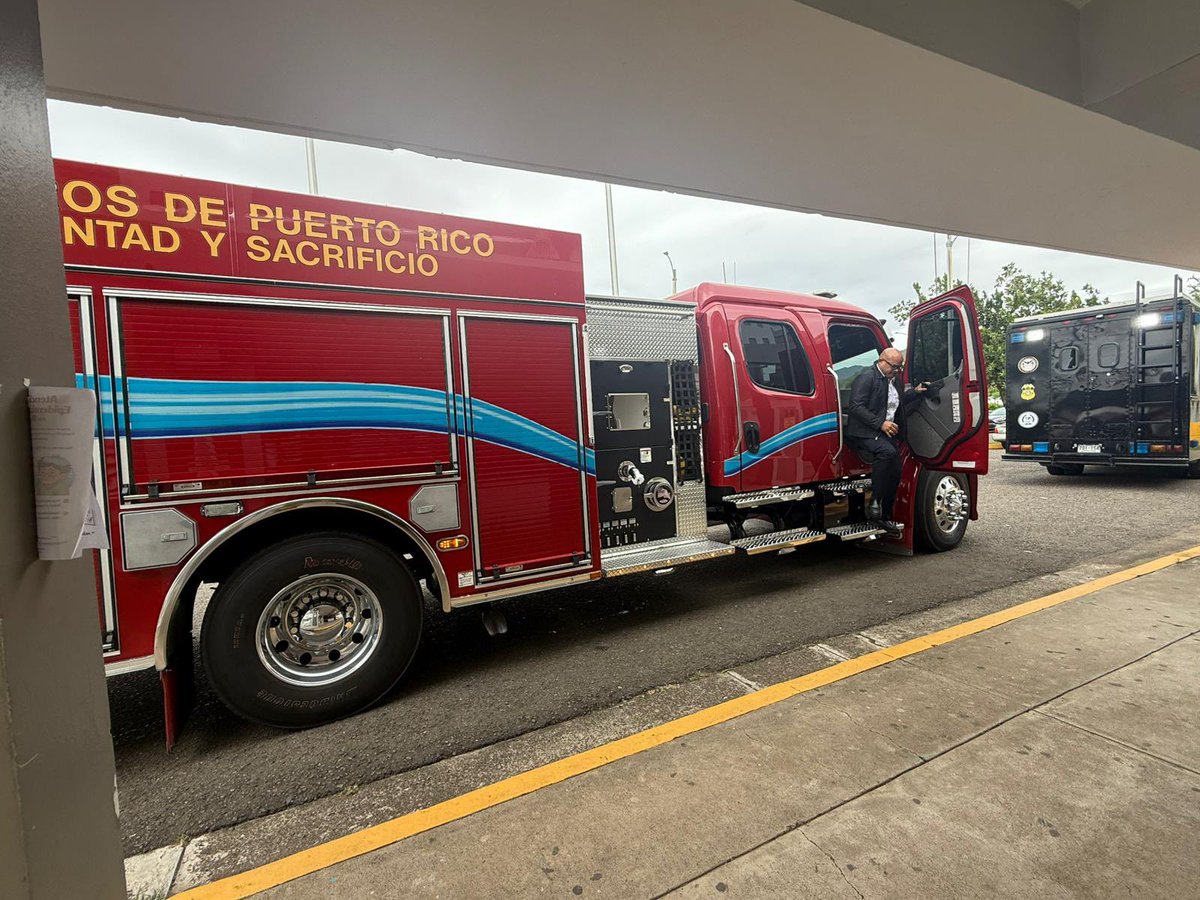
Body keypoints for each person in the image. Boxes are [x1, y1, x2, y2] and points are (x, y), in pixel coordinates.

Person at [845, 348, 927, 535]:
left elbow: (897, 400)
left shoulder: (893, 380)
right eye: (894, 367)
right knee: (887, 453)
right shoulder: (867, 377)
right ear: (881, 361)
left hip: (883, 432)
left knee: (896, 471)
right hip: (864, 431)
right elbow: (856, 406)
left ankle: (885, 516)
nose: (897, 371)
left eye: (899, 368)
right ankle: (875, 501)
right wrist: (880, 423)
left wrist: (915, 392)